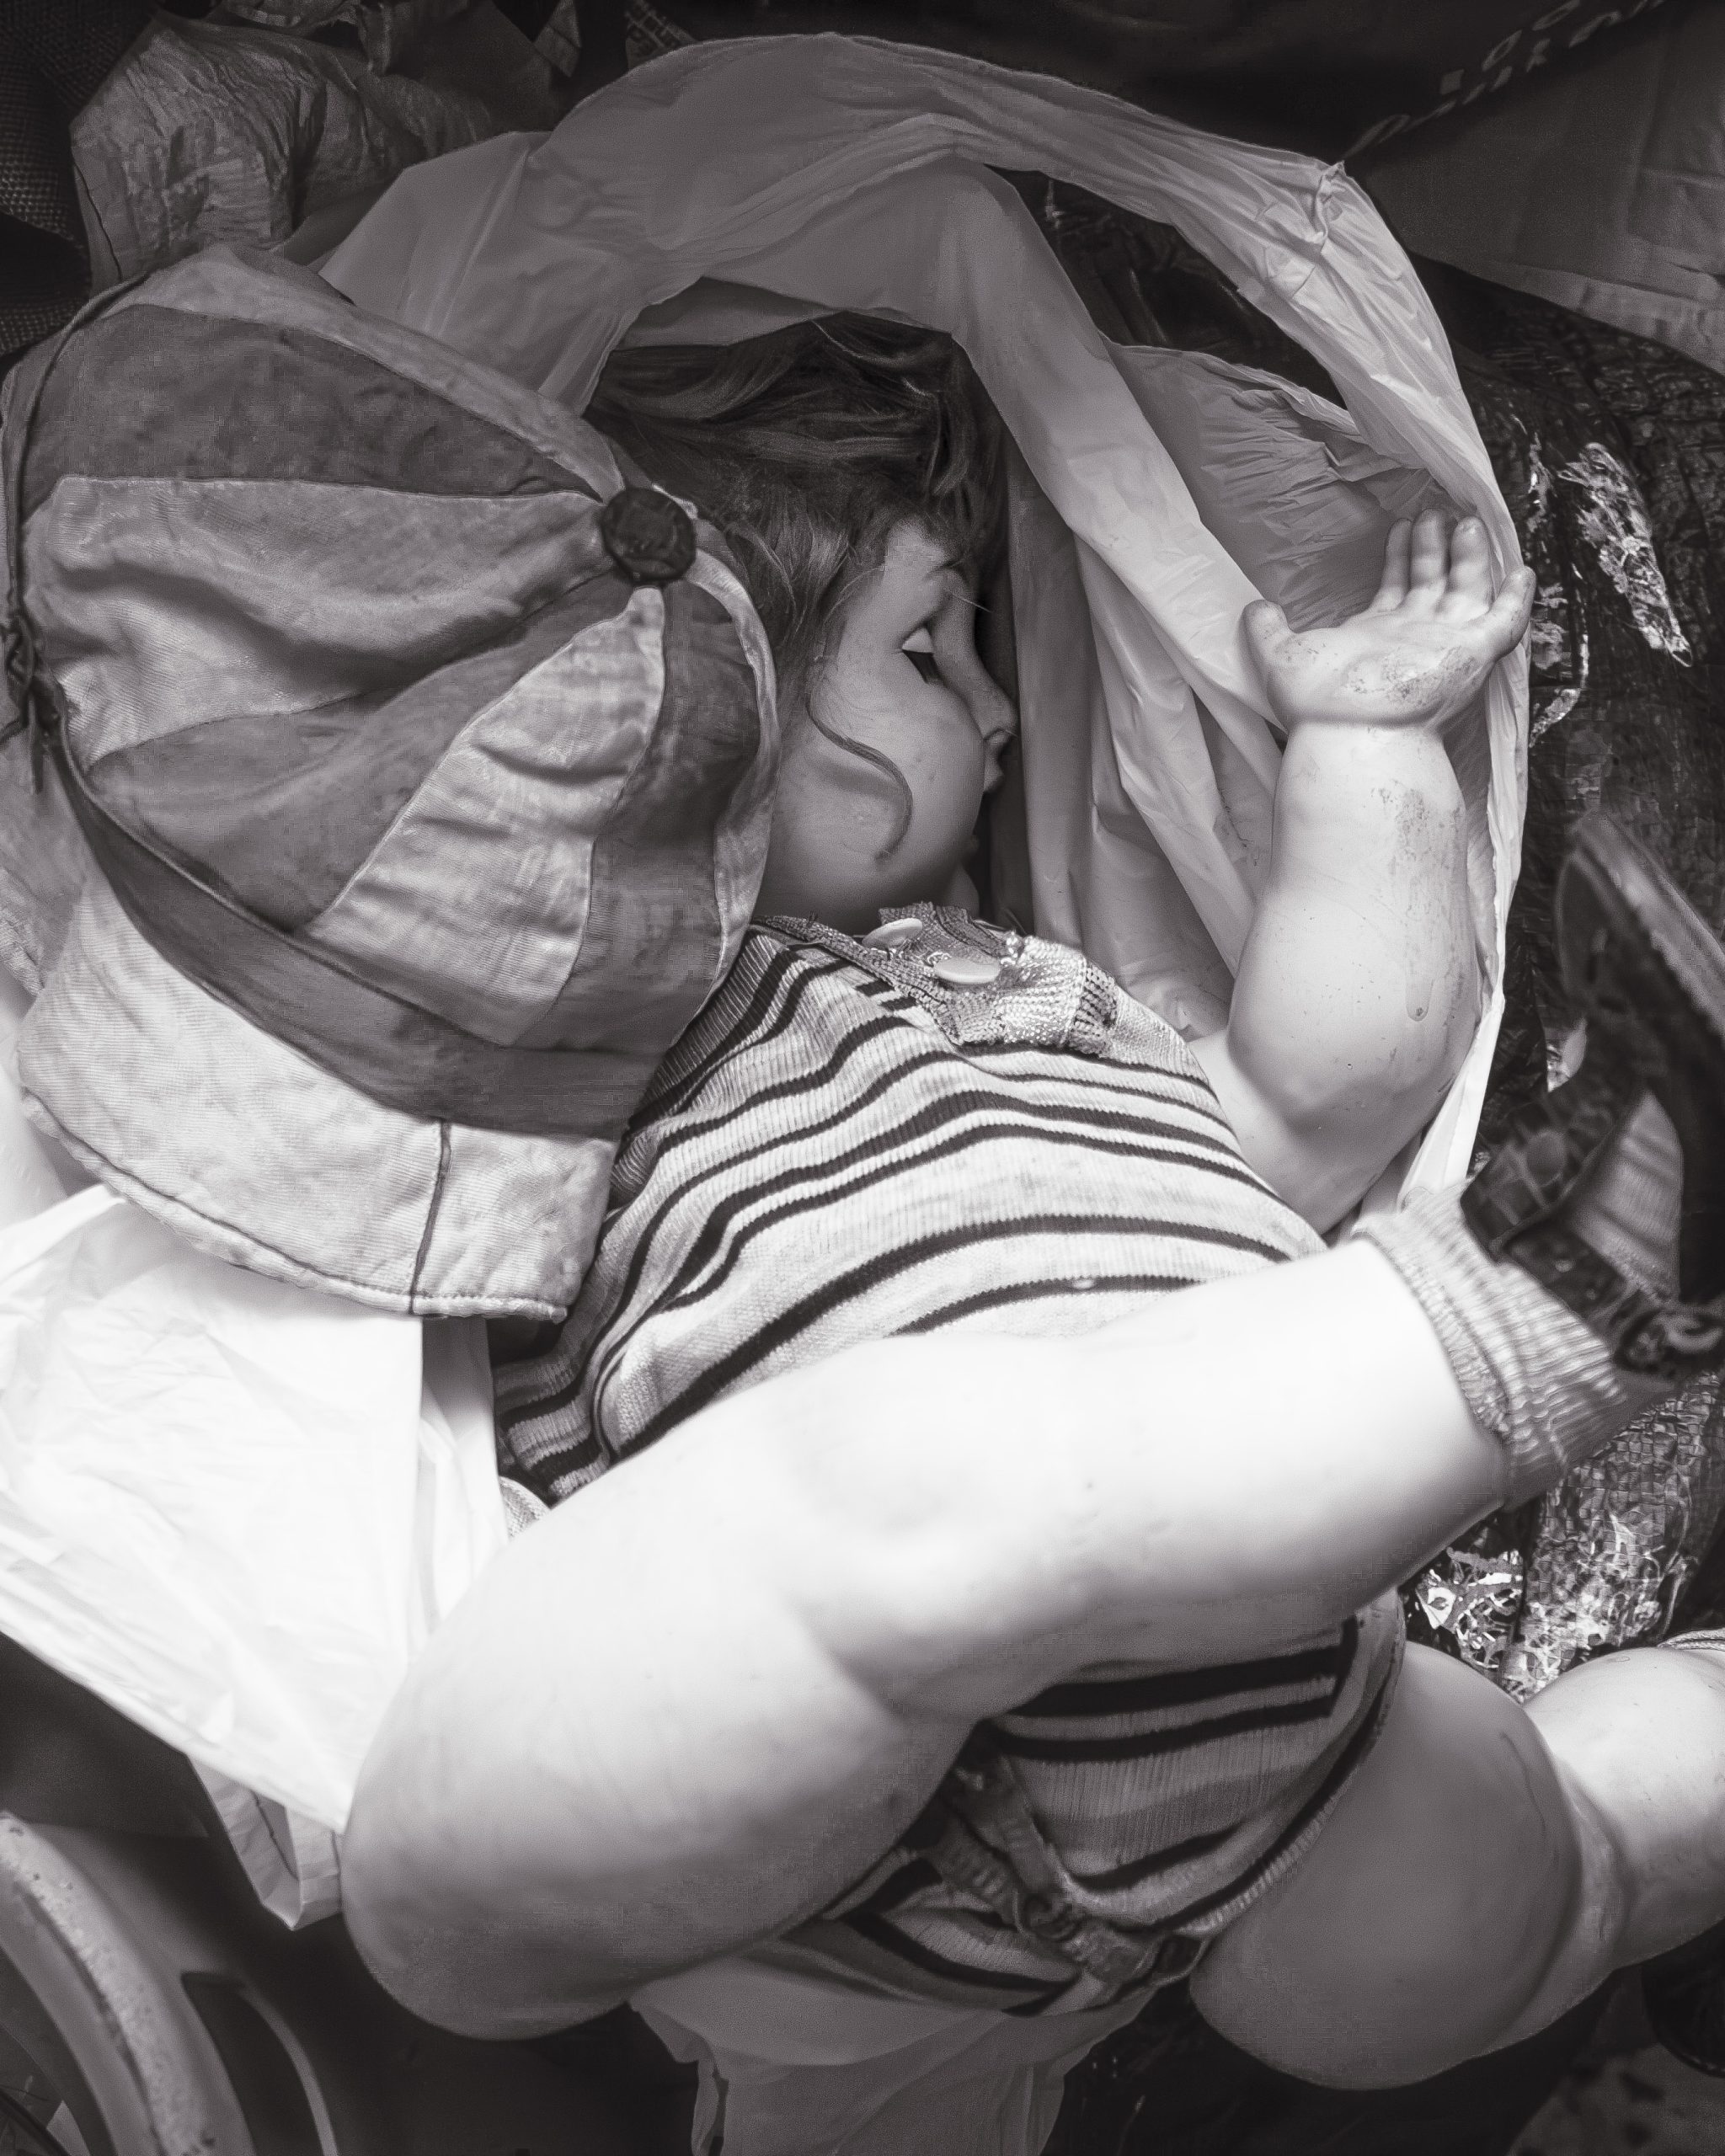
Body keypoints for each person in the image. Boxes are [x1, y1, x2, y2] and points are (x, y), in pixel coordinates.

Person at [335, 319, 1725, 2137]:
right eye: (930, 651)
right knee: (860, 1510)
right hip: (806, 1762)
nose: (998, 714)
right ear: (688, 701)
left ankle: (1533, 1315)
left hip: (1293, 1742)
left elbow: (1312, 1097)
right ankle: (1534, 1307)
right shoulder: (566, 1028)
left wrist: (1364, 736)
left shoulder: (1031, 989)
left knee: (1577, 1855)